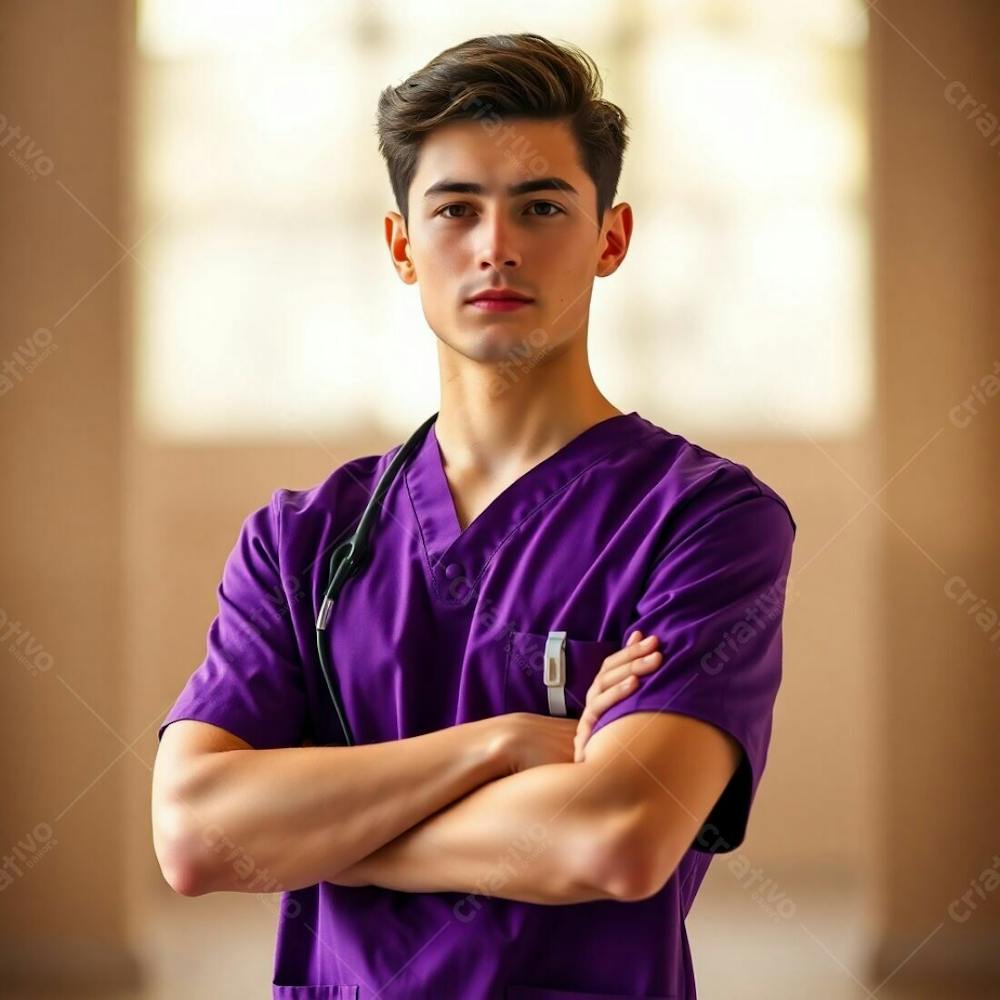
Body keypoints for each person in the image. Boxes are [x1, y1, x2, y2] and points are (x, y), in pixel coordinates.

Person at [152, 32, 796, 1000]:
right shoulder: (299, 542)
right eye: (455, 208)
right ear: (402, 245)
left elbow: (614, 837)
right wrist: (503, 742)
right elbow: (198, 834)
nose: (496, 244)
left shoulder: (706, 523)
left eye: (541, 206)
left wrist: (328, 837)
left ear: (610, 238)